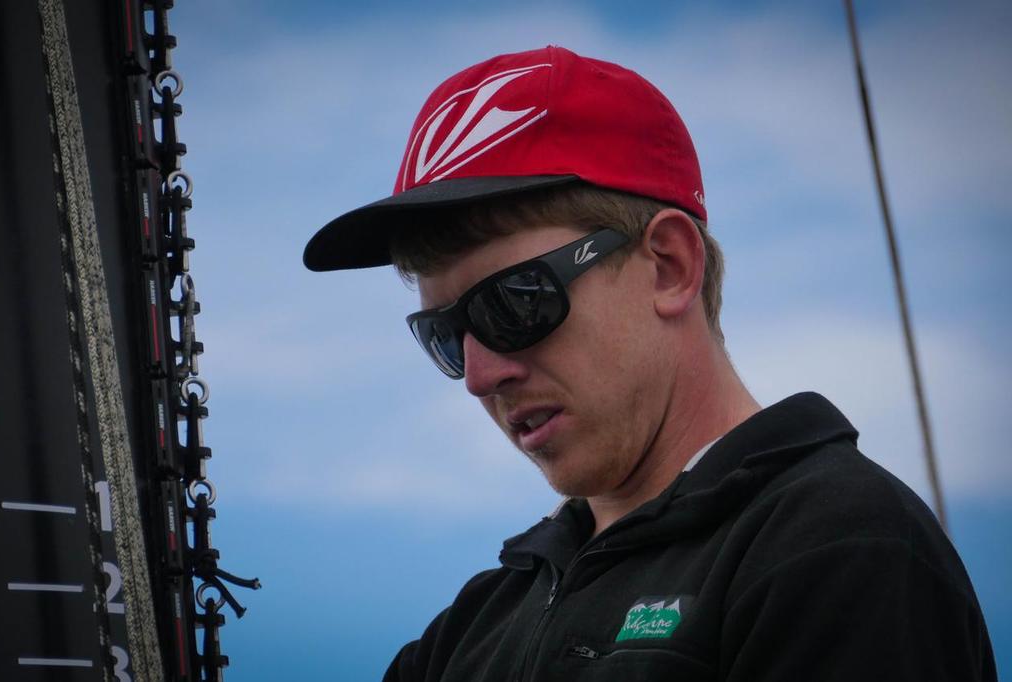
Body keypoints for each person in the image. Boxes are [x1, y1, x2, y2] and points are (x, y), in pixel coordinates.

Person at [304, 46, 996, 681]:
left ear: (669, 266)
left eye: (512, 304)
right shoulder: (471, 630)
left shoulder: (841, 547)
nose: (481, 375)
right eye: (445, 334)